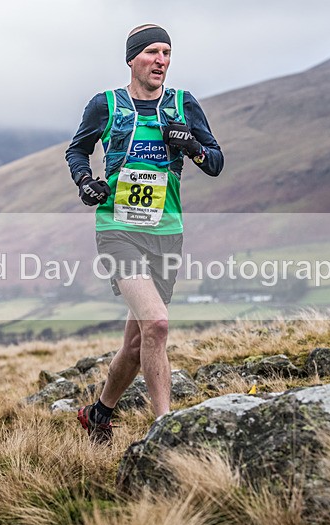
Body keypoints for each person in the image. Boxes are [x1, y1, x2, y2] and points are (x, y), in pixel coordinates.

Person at [66, 24, 224, 444]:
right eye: (153, 51)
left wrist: (191, 145)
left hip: (166, 232)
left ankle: (99, 414)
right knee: (157, 324)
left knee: (138, 343)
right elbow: (77, 149)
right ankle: (164, 432)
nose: (161, 60)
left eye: (167, 53)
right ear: (132, 59)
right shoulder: (106, 105)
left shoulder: (183, 104)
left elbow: (215, 162)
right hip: (118, 229)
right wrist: (85, 181)